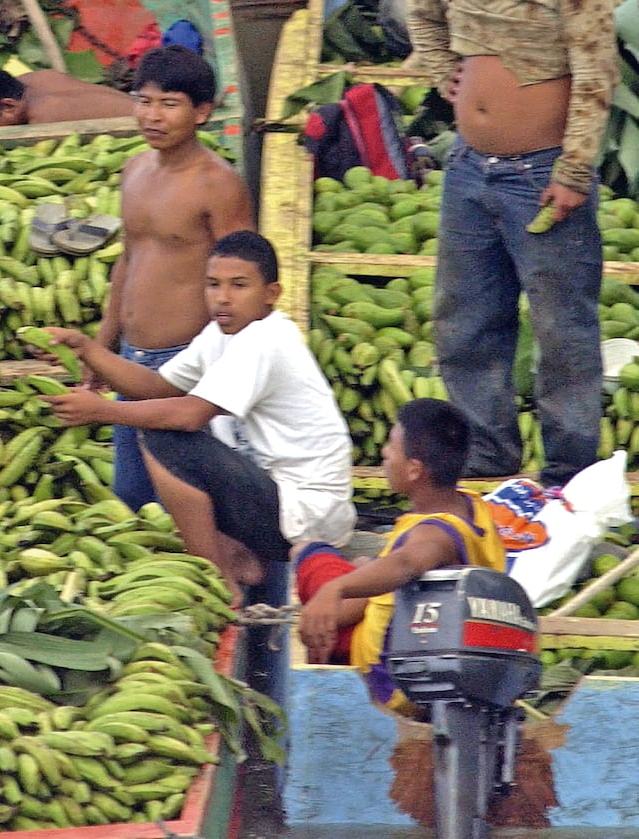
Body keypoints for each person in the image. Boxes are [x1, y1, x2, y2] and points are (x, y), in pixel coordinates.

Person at [40, 231, 355, 594]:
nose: (223, 298)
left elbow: (189, 414)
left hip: (307, 514)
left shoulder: (266, 339)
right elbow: (155, 387)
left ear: (271, 294)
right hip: (276, 500)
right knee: (158, 420)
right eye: (213, 285)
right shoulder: (219, 335)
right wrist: (84, 347)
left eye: (239, 285)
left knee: (164, 435)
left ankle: (215, 580)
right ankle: (235, 556)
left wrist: (102, 411)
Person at [407, 0, 618, 488]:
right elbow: (422, 11)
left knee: (562, 331)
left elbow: (596, 66)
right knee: (463, 320)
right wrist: (443, 69)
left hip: (543, 174)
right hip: (469, 167)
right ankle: (486, 454)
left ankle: (570, 472)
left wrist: (575, 166)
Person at [92, 44, 255, 512]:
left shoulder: (216, 183)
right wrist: (104, 343)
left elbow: (243, 274)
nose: (153, 116)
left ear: (202, 112)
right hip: (132, 357)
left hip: (186, 361)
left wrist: (226, 362)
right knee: (132, 493)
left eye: (169, 103)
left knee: (189, 497)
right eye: (144, 101)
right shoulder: (136, 169)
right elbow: (130, 257)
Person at [296, 398, 506, 715]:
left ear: (414, 470)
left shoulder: (433, 536)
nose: (384, 453)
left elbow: (407, 563)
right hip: (420, 631)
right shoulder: (470, 505)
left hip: (387, 680)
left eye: (392, 447)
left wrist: (334, 590)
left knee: (306, 553)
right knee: (363, 568)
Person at [0, 63, 136, 128]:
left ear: (9, 106)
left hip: (140, 126)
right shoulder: (34, 79)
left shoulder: (45, 119)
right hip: (135, 100)